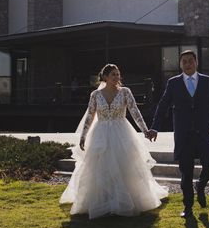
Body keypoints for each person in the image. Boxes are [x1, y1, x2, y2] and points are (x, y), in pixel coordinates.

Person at [60, 64, 168, 219]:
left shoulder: (125, 92)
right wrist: (83, 136)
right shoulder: (95, 95)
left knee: (124, 167)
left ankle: (124, 201)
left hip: (122, 133)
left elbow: (135, 112)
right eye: (113, 75)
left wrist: (145, 130)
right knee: (100, 167)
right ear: (105, 77)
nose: (117, 77)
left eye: (118, 74)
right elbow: (90, 116)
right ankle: (103, 200)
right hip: (100, 134)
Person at [147, 50, 209, 218]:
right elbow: (163, 106)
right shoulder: (173, 83)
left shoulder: (207, 81)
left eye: (190, 61)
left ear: (196, 63)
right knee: (186, 173)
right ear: (181, 64)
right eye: (184, 61)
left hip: (203, 132)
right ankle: (188, 207)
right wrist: (155, 128)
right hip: (184, 135)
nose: (187, 64)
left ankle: (201, 185)